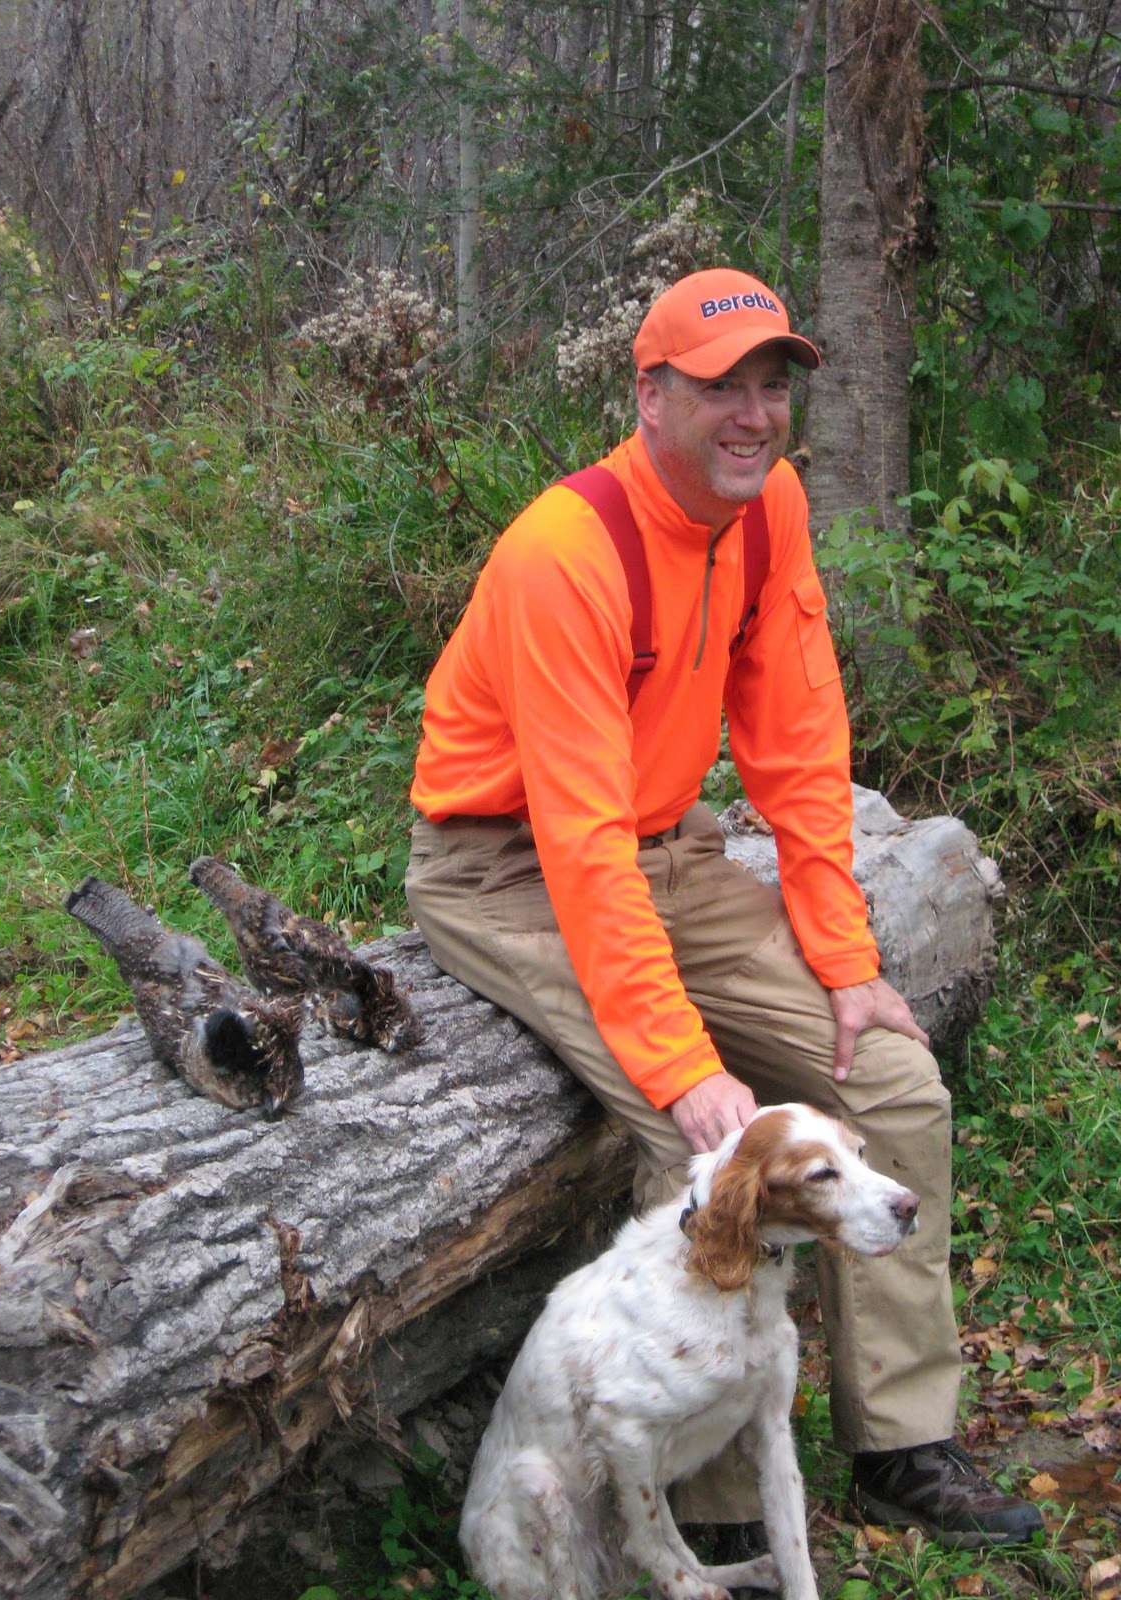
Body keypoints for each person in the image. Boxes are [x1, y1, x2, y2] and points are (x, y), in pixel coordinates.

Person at [404, 267, 1041, 1550]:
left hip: (669, 846)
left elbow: (799, 742)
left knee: (894, 1081)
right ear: (650, 395)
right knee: (697, 1138)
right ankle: (720, 1514)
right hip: (506, 864)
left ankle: (903, 1441)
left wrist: (848, 961)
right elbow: (580, 847)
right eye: (719, 390)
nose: (753, 416)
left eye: (770, 386)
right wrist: (686, 1064)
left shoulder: (769, 508)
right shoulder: (565, 553)